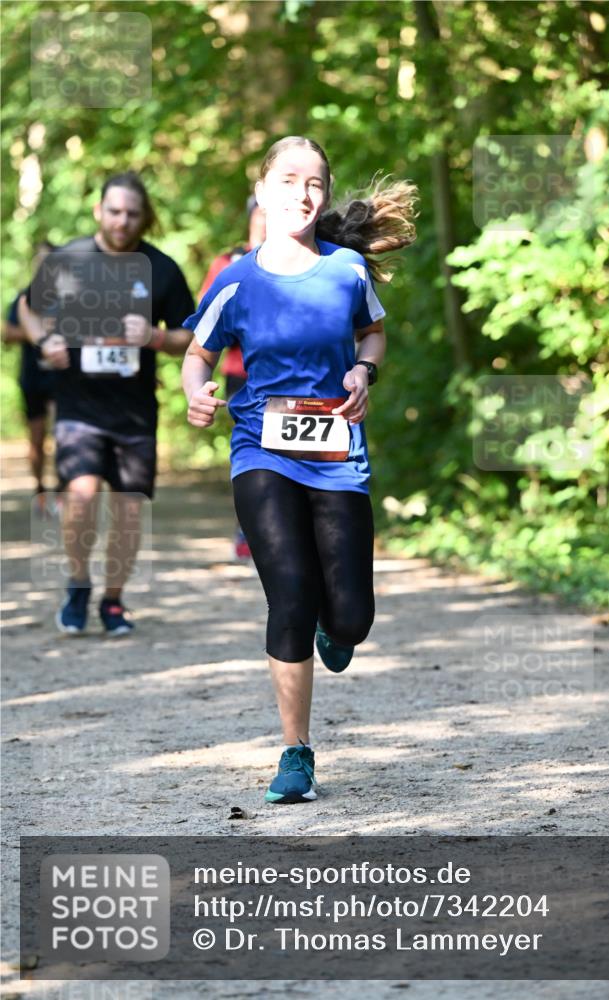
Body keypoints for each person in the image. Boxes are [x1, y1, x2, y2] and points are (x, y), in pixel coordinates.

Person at [182, 136, 417, 803]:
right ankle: (295, 753)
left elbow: (372, 332)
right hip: (261, 449)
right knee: (288, 593)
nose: (302, 193)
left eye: (314, 182)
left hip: (337, 456)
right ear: (261, 191)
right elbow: (198, 353)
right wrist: (194, 390)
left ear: (323, 194)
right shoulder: (237, 279)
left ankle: (331, 628)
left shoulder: (346, 271)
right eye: (288, 179)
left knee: (350, 620)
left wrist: (363, 369)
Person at [20, 171, 195, 636]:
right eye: (114, 211)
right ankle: (78, 583)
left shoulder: (162, 268)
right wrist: (44, 343)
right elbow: (27, 308)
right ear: (99, 210)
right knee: (79, 497)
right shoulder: (68, 258)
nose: (122, 221)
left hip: (135, 410)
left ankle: (113, 601)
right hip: (78, 404)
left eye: (132, 214)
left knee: (129, 510)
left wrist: (157, 336)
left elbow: (191, 336)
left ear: (144, 218)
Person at [198, 196, 266, 559]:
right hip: (242, 374)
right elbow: (205, 315)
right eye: (261, 212)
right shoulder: (229, 263)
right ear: (252, 215)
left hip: (296, 379)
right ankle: (247, 526)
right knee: (251, 449)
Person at [2, 241, 57, 508]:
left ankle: (65, 490)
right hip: (33, 378)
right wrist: (37, 331)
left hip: (63, 379)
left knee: (66, 434)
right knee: (37, 437)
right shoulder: (24, 298)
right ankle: (40, 490)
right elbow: (7, 333)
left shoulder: (70, 298)